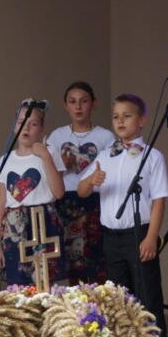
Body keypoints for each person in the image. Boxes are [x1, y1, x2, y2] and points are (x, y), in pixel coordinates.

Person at [77, 93, 168, 337]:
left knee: (148, 295)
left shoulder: (152, 156)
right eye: (116, 116)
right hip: (111, 236)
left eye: (127, 116)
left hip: (139, 233)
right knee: (118, 299)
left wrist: (151, 237)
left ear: (141, 121)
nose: (120, 121)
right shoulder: (105, 155)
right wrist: (91, 180)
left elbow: (159, 199)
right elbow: (82, 190)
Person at [46, 81, 115, 285]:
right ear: (65, 105)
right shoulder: (57, 136)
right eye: (72, 102)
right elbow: (46, 171)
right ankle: (76, 300)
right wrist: (60, 164)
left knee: (96, 257)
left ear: (94, 104)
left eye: (83, 101)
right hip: (66, 203)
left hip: (95, 201)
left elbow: (112, 168)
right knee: (71, 259)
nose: (78, 107)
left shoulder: (105, 136)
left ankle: (98, 300)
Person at [0, 101, 65, 287]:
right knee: (18, 282)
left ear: (41, 129)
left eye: (33, 124)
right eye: (21, 122)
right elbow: (1, 202)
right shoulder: (5, 159)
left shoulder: (49, 152)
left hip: (43, 220)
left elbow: (59, 192)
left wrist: (45, 156)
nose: (26, 128)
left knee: (45, 280)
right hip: (14, 224)